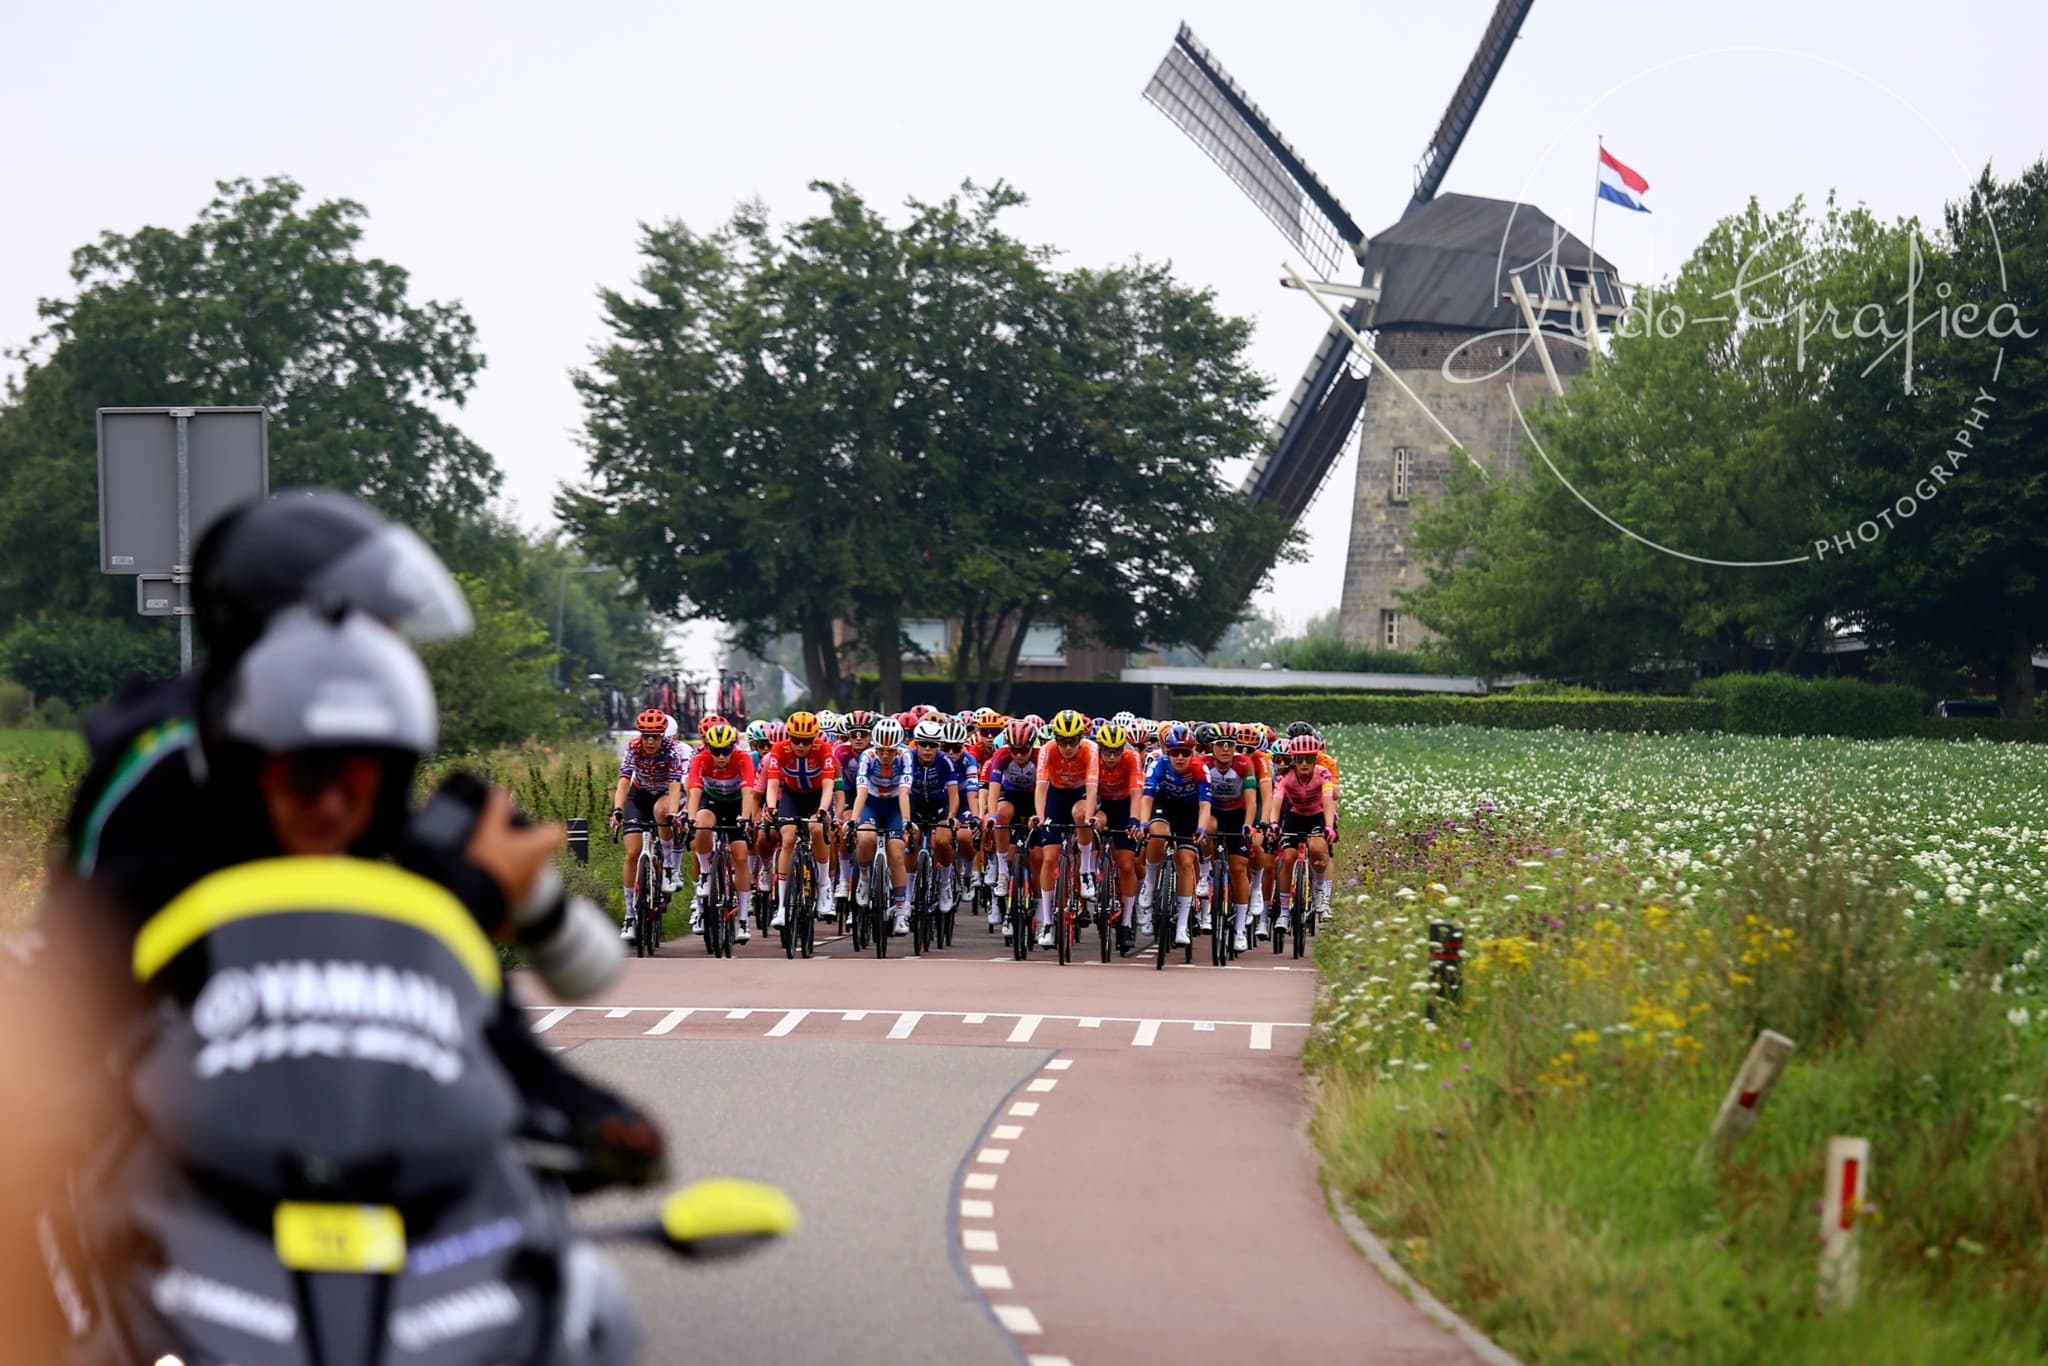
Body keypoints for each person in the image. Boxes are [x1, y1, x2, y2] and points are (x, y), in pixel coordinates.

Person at [607, 709, 687, 941]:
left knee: (662, 812)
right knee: (632, 853)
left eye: (655, 736)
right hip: (639, 796)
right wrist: (618, 809)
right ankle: (630, 916)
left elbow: (674, 785)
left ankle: (670, 868)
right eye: (645, 736)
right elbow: (624, 780)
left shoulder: (671, 751)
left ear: (663, 736)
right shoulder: (633, 748)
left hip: (663, 794)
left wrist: (673, 812)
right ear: (640, 735)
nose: (650, 741)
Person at [1134, 722, 1212, 948]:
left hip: (1189, 811)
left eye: (1185, 753)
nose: (1180, 758)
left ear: (1192, 753)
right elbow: (1146, 798)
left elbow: (1205, 806)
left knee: (1186, 861)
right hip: (1164, 805)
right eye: (1175, 752)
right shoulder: (1158, 764)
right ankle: (1149, 883)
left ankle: (1181, 926)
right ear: (1167, 752)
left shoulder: (1199, 769)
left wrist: (1201, 829)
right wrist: (1143, 823)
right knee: (1158, 833)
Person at [1027, 709, 1100, 950]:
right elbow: (1040, 786)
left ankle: (1087, 870)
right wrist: (1038, 814)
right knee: (1049, 859)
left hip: (1080, 794)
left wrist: (1090, 816)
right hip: (1056, 797)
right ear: (1054, 738)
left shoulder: (1090, 749)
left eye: (1072, 742)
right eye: (1062, 742)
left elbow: (1092, 785)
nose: (1068, 747)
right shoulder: (1047, 750)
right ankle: (1047, 922)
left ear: (1081, 738)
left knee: (1081, 815)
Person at [762, 711, 840, 930]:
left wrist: (823, 809)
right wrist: (771, 806)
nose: (800, 745)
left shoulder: (823, 749)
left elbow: (828, 785)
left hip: (817, 796)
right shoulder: (780, 749)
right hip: (793, 795)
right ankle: (782, 907)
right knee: (786, 838)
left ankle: (824, 887)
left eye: (806, 741)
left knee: (816, 829)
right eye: (796, 739)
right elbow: (773, 783)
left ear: (814, 739)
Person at [684, 722, 758, 942]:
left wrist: (745, 819)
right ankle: (707, 873)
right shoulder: (700, 760)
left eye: (726, 750)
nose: (722, 756)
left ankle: (743, 919)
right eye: (716, 751)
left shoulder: (743, 758)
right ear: (708, 748)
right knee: (702, 824)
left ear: (733, 747)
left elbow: (748, 793)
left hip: (736, 804)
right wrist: (689, 818)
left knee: (741, 856)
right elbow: (694, 793)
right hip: (712, 801)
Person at [1268, 733, 1338, 944]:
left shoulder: (1323, 774)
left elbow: (1327, 802)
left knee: (1317, 849)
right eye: (1300, 759)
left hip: (1317, 815)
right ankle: (1284, 912)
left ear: (1315, 758)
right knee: (1288, 858)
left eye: (1309, 758)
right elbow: (1276, 803)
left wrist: (1328, 826)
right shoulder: (1285, 777)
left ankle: (1319, 895)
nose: (1305, 764)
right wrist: (1273, 823)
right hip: (1295, 815)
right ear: (1294, 760)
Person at [849, 716, 914, 935]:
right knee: (865, 838)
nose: (886, 755)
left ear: (898, 747)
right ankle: (865, 877)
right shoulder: (867, 756)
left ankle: (901, 909)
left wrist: (906, 822)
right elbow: (862, 792)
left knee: (896, 853)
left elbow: (905, 793)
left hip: (895, 805)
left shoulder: (906, 756)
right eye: (882, 750)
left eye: (891, 750)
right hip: (872, 804)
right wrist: (853, 820)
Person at [1092, 723, 1144, 956]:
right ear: (1100, 749)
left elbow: (1136, 793)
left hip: (1124, 807)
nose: (1112, 757)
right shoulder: (1093, 758)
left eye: (1117, 752)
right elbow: (1090, 789)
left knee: (1126, 863)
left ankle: (1125, 923)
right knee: (1093, 826)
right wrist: (1090, 817)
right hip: (1102, 805)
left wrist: (1134, 820)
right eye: (1107, 752)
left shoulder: (1132, 758)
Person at [905, 717, 962, 918]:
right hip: (916, 804)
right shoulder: (907, 758)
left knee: (942, 841)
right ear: (916, 744)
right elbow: (901, 791)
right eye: (923, 744)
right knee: (910, 839)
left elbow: (954, 796)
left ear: (938, 746)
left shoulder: (945, 761)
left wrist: (952, 816)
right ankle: (909, 892)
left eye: (932, 745)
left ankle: (945, 883)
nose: (927, 749)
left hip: (940, 805)